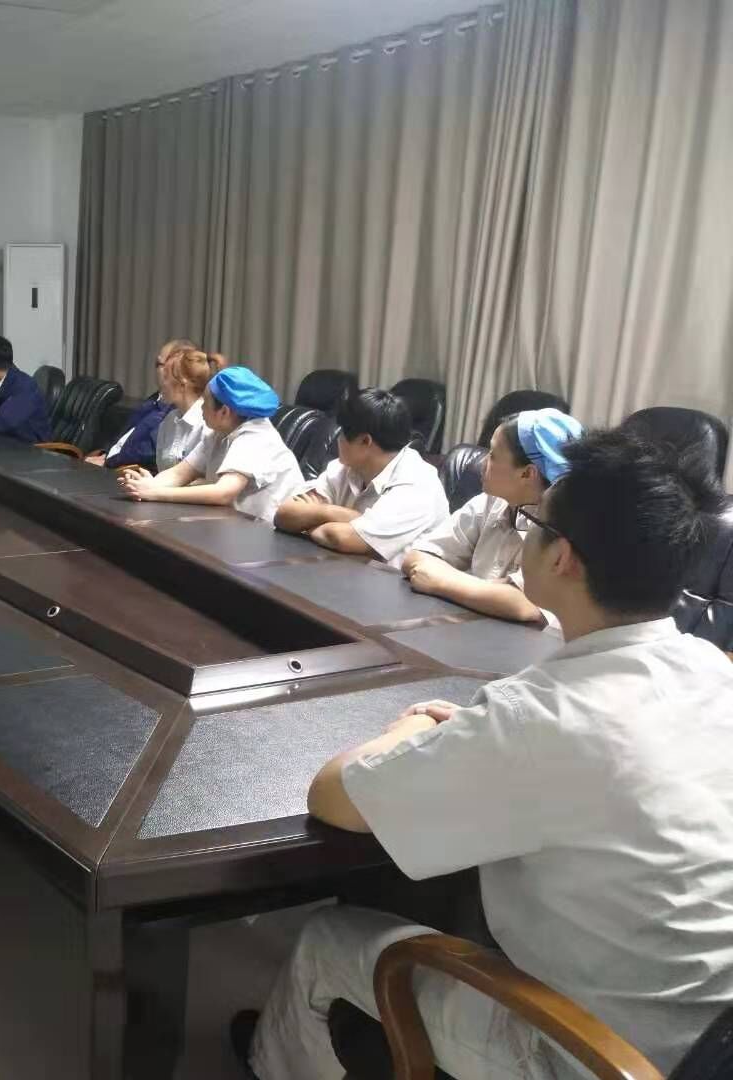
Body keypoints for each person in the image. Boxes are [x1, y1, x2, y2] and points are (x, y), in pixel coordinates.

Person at [236, 428, 733, 1078]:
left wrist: (414, 730)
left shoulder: (540, 717)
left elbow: (334, 796)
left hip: (594, 1056)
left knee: (326, 941)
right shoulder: (710, 668)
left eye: (533, 524)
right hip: (705, 1037)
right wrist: (483, 739)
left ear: (563, 558)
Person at [402, 409, 583, 624]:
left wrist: (440, 582)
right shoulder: (491, 501)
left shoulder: (562, 526)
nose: (482, 462)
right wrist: (491, 593)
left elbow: (525, 606)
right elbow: (417, 556)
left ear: (527, 473)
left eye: (493, 455)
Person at [273, 389, 447, 566]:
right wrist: (333, 512)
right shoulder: (345, 468)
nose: (338, 439)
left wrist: (309, 523)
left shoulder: (417, 484)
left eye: (342, 433)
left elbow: (342, 539)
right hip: (341, 569)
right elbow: (284, 514)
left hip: (391, 581)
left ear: (365, 441)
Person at [118, 366, 303, 522]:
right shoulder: (219, 431)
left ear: (224, 411)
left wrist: (155, 493)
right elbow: (180, 473)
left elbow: (223, 493)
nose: (201, 407)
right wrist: (148, 485)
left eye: (205, 402)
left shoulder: (256, 437)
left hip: (269, 535)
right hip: (235, 525)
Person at [84, 339, 195, 469]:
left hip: (124, 472)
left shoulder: (175, 412)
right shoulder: (155, 399)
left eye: (159, 364)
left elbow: (145, 454)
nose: (159, 371)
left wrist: (107, 463)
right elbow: (124, 437)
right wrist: (105, 454)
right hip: (111, 462)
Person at [153, 344, 216, 471]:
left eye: (166, 377)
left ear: (182, 384)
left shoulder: (208, 425)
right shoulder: (169, 420)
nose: (161, 382)